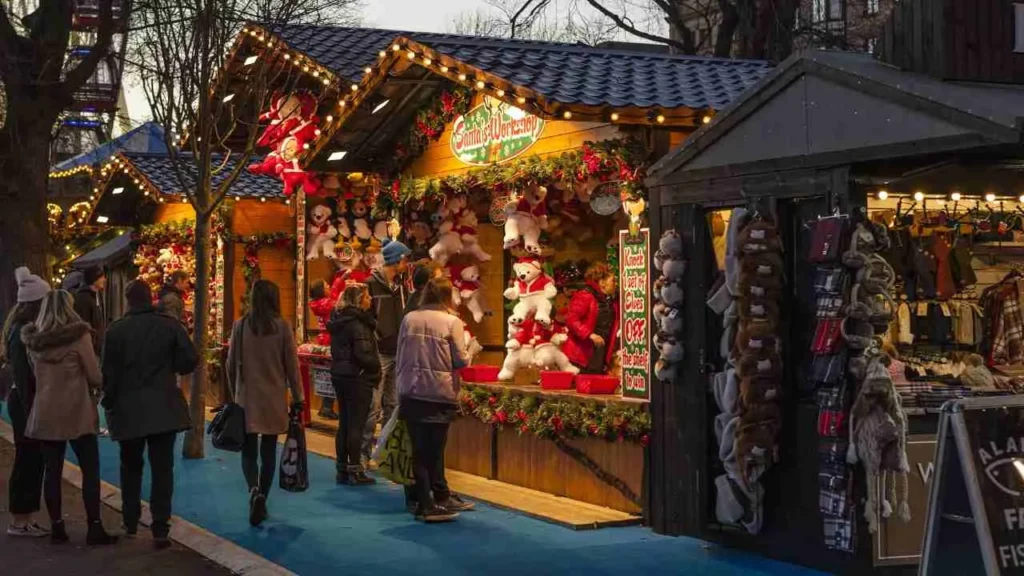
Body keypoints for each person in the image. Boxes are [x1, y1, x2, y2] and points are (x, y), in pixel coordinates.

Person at [102, 280, 197, 549]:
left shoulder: (116, 330)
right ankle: (160, 528)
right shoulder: (169, 325)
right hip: (163, 406)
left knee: (130, 467)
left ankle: (130, 522)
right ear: (151, 298)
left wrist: (109, 401)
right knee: (162, 469)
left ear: (128, 300)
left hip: (128, 408)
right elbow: (190, 359)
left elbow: (108, 373)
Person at [22, 290, 117, 545]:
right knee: (90, 470)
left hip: (45, 412)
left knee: (52, 472)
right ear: (68, 307)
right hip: (77, 412)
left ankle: (57, 528)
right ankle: (94, 528)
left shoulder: (33, 341)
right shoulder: (78, 336)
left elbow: (34, 375)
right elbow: (95, 376)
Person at [225, 280, 304, 527]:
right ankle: (263, 498)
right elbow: (292, 366)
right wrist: (299, 397)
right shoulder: (282, 327)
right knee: (268, 452)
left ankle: (253, 490)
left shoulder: (241, 326)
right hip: (273, 397)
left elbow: (230, 363)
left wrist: (234, 391)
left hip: (247, 397)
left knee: (248, 451)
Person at [396, 278, 470, 523]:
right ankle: (433, 503)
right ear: (447, 297)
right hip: (438, 392)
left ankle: (424, 502)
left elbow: (400, 353)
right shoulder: (452, 322)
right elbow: (461, 360)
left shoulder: (409, 318)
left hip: (411, 390)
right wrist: (471, 349)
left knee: (419, 451)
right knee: (435, 451)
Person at [3, 267, 49, 538]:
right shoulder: (22, 333)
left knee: (29, 459)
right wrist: (34, 409)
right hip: (25, 404)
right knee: (28, 459)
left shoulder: (17, 329)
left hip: (22, 402)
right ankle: (20, 520)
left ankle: (24, 518)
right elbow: (23, 376)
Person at [362, 240, 411, 465]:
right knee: (373, 404)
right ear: (396, 260)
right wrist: (377, 335)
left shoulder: (402, 286)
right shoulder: (371, 284)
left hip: (398, 350)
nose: (407, 263)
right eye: (404, 259)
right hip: (380, 351)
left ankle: (384, 454)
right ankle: (362, 453)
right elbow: (367, 315)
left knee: (392, 404)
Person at [327, 284, 380, 486]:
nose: (370, 300)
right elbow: (362, 353)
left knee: (345, 424)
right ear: (359, 300)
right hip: (357, 377)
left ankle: (342, 468)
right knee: (356, 424)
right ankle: (356, 470)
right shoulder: (359, 323)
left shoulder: (339, 320)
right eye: (367, 297)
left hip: (340, 375)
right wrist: (376, 368)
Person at [562, 262, 620, 374]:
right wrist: (590, 335)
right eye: (613, 281)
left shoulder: (609, 300)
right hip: (581, 354)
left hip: (599, 352)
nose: (615, 284)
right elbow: (571, 320)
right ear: (602, 282)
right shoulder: (584, 296)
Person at [73, 266, 106, 355]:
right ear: (94, 279)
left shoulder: (96, 295)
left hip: (97, 346)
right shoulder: (83, 298)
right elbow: (83, 323)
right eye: (101, 277)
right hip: (89, 347)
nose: (104, 279)